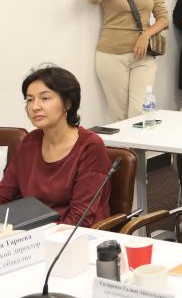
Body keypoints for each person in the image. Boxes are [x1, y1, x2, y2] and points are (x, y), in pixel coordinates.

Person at [0, 67, 111, 227]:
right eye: (30, 100)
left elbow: (81, 218)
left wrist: (39, 236)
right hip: (31, 232)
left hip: (75, 235)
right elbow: (4, 194)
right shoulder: (29, 142)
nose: (35, 107)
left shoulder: (90, 146)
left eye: (45, 98)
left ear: (67, 103)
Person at [86, 0, 168, 122]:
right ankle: (123, 144)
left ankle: (138, 143)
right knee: (120, 116)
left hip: (144, 55)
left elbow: (163, 18)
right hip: (111, 55)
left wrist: (145, 35)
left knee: (140, 112)